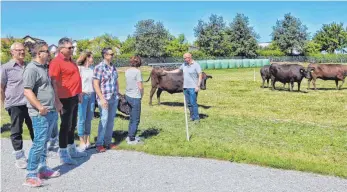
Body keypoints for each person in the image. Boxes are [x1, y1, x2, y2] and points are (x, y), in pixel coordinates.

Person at [22, 42, 61, 187]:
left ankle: (42, 168)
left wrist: (56, 103)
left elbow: (49, 87)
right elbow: (27, 91)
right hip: (40, 113)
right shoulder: (31, 69)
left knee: (44, 142)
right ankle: (30, 174)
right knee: (39, 143)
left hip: (50, 111)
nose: (49, 54)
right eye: (46, 51)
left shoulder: (45, 67)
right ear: (39, 53)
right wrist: (40, 107)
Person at [49, 37, 87, 165]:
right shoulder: (56, 62)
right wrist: (57, 100)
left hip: (74, 96)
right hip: (64, 98)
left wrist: (79, 92)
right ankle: (63, 152)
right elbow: (53, 82)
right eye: (70, 48)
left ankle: (71, 148)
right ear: (61, 49)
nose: (72, 49)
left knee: (72, 124)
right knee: (65, 125)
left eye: (72, 47)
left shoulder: (71, 61)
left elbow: (77, 77)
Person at [0, 42, 34, 169]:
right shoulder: (5, 68)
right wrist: (3, 104)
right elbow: (1, 88)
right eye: (19, 50)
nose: (22, 52)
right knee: (16, 131)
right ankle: (20, 157)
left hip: (30, 103)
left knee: (34, 128)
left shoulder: (29, 66)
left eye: (23, 50)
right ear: (12, 52)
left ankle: (36, 154)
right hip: (14, 104)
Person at [93, 47, 119, 152]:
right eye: (110, 54)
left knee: (111, 120)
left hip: (113, 97)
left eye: (113, 54)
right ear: (105, 55)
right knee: (104, 119)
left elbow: (116, 81)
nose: (112, 55)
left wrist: (117, 93)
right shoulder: (99, 67)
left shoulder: (113, 67)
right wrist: (102, 98)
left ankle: (108, 142)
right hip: (104, 98)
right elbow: (96, 84)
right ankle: (99, 143)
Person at [164, 53, 202, 122]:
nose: (184, 59)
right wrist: (167, 72)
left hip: (193, 87)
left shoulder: (196, 65)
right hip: (185, 87)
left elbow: (200, 75)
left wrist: (198, 86)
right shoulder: (184, 64)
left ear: (189, 57)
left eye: (185, 58)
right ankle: (192, 116)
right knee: (189, 103)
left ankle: (196, 118)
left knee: (193, 103)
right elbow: (178, 70)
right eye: (184, 58)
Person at [76, 51, 95, 151]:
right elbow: (77, 82)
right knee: (82, 118)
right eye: (92, 57)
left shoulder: (92, 69)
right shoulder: (79, 69)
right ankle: (81, 140)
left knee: (89, 118)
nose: (93, 59)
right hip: (83, 95)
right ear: (87, 58)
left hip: (91, 95)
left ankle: (88, 140)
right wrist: (79, 93)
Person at [124, 56, 144, 145]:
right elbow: (140, 86)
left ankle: (130, 135)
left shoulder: (127, 71)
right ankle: (131, 139)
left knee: (131, 118)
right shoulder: (137, 71)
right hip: (135, 97)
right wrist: (141, 95)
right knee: (136, 119)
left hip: (128, 96)